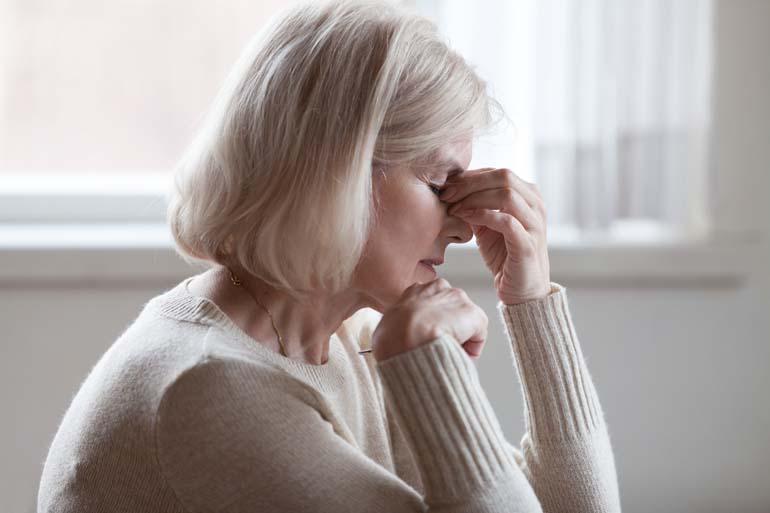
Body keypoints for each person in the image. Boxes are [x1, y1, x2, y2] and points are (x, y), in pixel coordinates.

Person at [37, 0, 621, 511]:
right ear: (338, 175)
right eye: (442, 184)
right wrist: (433, 377)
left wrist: (531, 300)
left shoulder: (353, 336)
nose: (465, 228)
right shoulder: (210, 389)